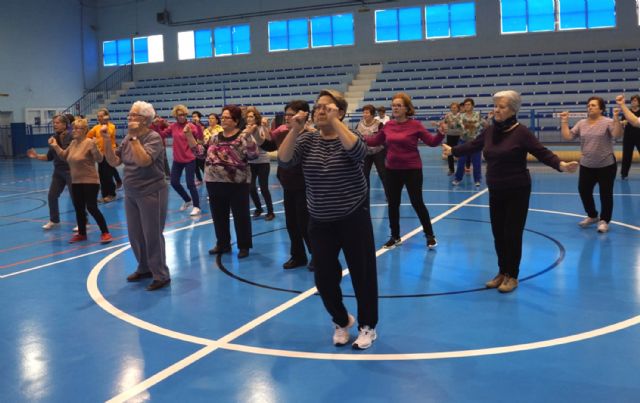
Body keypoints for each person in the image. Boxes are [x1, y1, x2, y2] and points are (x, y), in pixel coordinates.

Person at [444, 90, 579, 293]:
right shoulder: (489, 131)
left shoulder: (521, 132)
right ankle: (502, 272)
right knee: (498, 233)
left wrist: (560, 164)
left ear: (513, 110)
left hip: (517, 189)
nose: (496, 109)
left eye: (502, 106)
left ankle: (512, 275)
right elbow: (473, 145)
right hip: (496, 189)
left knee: (512, 234)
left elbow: (542, 152)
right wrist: (453, 151)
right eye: (495, 105)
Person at [279, 89, 378, 350]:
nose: (319, 110)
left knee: (363, 274)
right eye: (317, 107)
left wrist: (335, 123)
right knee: (323, 278)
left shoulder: (351, 136)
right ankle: (341, 319)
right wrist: (294, 129)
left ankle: (367, 327)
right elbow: (285, 159)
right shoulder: (307, 141)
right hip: (320, 219)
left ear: (341, 112)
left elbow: (358, 153)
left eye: (327, 107)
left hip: (353, 216)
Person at [102, 101, 171, 291]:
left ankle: (160, 274)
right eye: (130, 114)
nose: (129, 117)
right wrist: (107, 141)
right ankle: (144, 267)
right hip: (131, 192)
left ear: (145, 120)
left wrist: (133, 138)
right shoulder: (127, 139)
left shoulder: (153, 137)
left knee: (152, 234)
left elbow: (143, 161)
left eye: (134, 115)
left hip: (151, 191)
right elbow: (114, 161)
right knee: (135, 234)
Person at [365, 92, 445, 250]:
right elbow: (375, 141)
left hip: (412, 170)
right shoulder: (388, 126)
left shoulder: (415, 125)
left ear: (407, 108)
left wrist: (441, 133)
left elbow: (432, 142)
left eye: (398, 105)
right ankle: (395, 236)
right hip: (392, 171)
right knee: (393, 204)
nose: (395, 108)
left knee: (417, 203)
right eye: (393, 105)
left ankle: (430, 236)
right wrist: (356, 137)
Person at [261, 100, 314, 270]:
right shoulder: (284, 132)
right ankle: (298, 256)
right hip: (289, 185)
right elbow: (268, 145)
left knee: (306, 225)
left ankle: (317, 256)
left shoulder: (311, 134)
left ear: (303, 115)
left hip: (306, 186)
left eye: (292, 114)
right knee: (292, 224)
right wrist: (257, 131)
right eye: (287, 115)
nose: (288, 118)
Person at [560, 97, 622, 233]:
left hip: (606, 165)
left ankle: (604, 220)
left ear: (601, 109)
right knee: (583, 190)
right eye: (588, 105)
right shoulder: (582, 123)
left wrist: (616, 119)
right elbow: (568, 136)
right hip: (587, 165)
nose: (590, 107)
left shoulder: (608, 122)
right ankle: (593, 215)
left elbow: (617, 134)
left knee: (605, 193)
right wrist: (564, 121)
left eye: (593, 105)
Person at [205, 105, 259, 259]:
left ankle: (244, 246)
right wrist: (189, 138)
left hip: (237, 183)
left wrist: (249, 136)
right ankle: (222, 243)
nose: (223, 119)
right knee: (218, 215)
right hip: (214, 182)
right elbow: (202, 154)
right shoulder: (214, 137)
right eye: (222, 116)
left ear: (235, 121)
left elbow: (254, 155)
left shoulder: (243, 136)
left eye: (227, 117)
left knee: (241, 216)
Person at [48, 118, 113, 244]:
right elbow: (64, 156)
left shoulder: (89, 142)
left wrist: (95, 148)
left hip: (90, 181)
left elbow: (99, 160)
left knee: (92, 207)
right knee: (79, 208)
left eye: (79, 128)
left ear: (85, 130)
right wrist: (55, 146)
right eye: (74, 128)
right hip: (76, 181)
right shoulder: (73, 143)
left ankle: (105, 232)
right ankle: (82, 234)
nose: (75, 131)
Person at [27, 114, 74, 230]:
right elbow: (49, 157)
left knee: (76, 197)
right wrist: (37, 156)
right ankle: (54, 220)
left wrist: (56, 145)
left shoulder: (71, 136)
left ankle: (84, 221)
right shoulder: (53, 137)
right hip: (58, 171)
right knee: (52, 195)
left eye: (57, 123)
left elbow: (68, 154)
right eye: (54, 123)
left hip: (71, 170)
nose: (55, 125)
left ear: (64, 124)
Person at [161, 105, 201, 216]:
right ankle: (188, 200)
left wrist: (198, 126)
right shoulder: (173, 126)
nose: (182, 117)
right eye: (179, 115)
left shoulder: (190, 126)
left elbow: (199, 137)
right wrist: (156, 126)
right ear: (176, 116)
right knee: (174, 182)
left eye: (184, 114)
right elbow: (162, 135)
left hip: (189, 159)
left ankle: (196, 206)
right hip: (177, 159)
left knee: (190, 184)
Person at [246, 106, 275, 221]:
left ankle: (270, 211)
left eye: (251, 116)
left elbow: (268, 142)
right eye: (247, 116)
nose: (249, 118)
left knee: (264, 188)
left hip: (263, 162)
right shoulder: (245, 130)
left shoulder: (261, 128)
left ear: (256, 118)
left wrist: (266, 127)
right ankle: (258, 208)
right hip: (251, 163)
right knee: (251, 188)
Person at [87, 108, 118, 203]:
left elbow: (108, 133)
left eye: (101, 116)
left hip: (109, 153)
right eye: (98, 116)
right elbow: (88, 135)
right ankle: (104, 195)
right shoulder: (96, 127)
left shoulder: (111, 126)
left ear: (106, 117)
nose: (99, 118)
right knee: (102, 175)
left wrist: (104, 124)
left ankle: (112, 194)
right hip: (100, 155)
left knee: (108, 175)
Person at [356, 104, 387, 199]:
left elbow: (384, 138)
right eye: (364, 112)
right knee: (364, 174)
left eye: (367, 112)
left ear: (372, 114)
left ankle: (389, 194)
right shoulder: (359, 124)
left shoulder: (379, 124)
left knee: (383, 173)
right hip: (365, 153)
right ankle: (365, 196)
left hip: (378, 152)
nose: (364, 114)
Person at [452, 98, 483, 186]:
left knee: (476, 162)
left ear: (472, 105)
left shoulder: (477, 115)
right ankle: (458, 179)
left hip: (475, 142)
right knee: (461, 161)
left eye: (469, 104)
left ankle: (477, 180)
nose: (467, 106)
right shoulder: (460, 116)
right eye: (465, 105)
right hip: (463, 141)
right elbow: (457, 126)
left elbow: (480, 125)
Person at [618, 95, 640, 180]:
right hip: (628, 136)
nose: (633, 102)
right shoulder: (627, 112)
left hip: (639, 136)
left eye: (635, 100)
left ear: (639, 102)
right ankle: (624, 174)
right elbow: (622, 122)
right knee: (626, 155)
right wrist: (623, 123)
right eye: (632, 100)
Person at [441, 102, 463, 175]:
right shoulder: (447, 115)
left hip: (459, 135)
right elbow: (444, 123)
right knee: (449, 153)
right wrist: (441, 125)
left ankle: (461, 169)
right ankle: (451, 169)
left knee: (460, 153)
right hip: (450, 135)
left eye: (455, 107)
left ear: (458, 108)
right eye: (452, 107)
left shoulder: (461, 116)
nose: (453, 109)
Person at [191, 111, 206, 185]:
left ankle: (207, 178)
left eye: (195, 116)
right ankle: (199, 179)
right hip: (192, 148)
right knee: (194, 165)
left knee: (202, 165)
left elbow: (201, 137)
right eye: (193, 116)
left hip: (200, 149)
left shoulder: (202, 126)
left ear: (199, 117)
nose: (194, 118)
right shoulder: (190, 125)